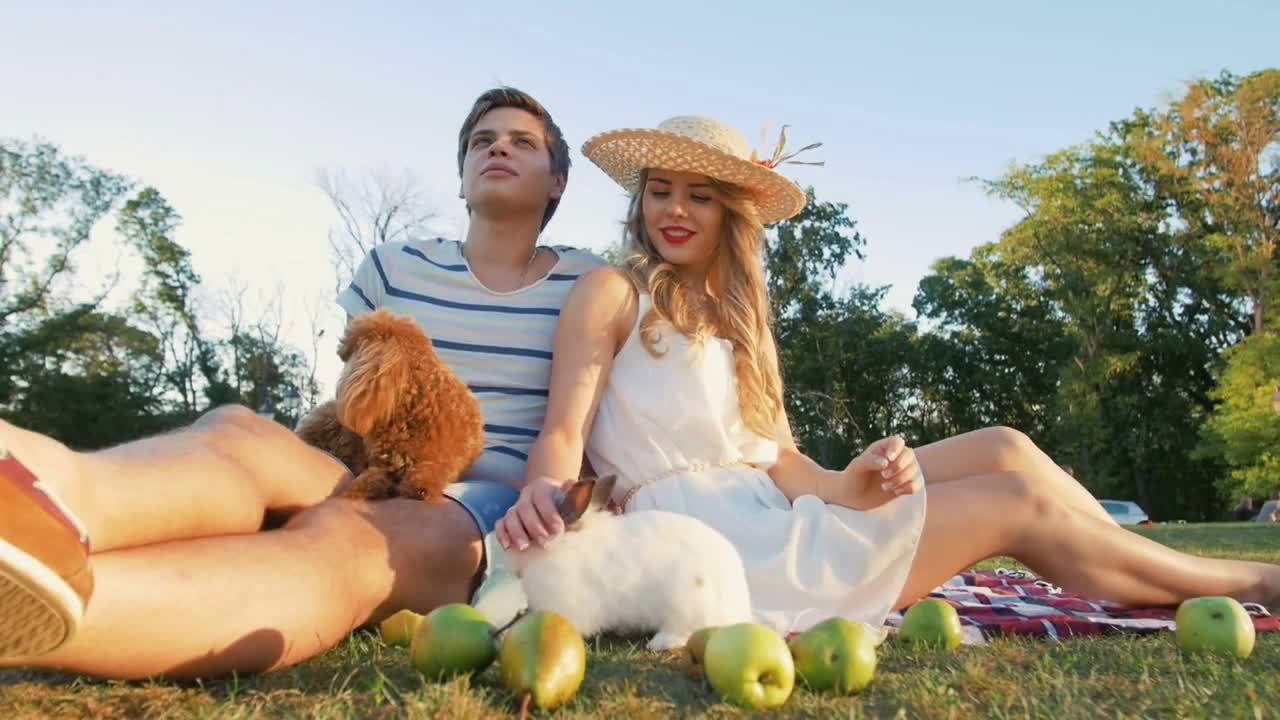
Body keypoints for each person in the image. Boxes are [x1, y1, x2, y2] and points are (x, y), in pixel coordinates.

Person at [496, 115, 1280, 634]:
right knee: (1014, 504)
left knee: (1005, 446)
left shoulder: (738, 323)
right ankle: (1246, 580)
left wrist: (856, 484)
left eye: (700, 196)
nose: (675, 210)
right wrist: (545, 495)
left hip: (770, 506)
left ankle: (1128, 560)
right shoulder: (613, 293)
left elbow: (782, 462)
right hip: (711, 540)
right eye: (659, 191)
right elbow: (565, 427)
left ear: (733, 213)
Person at [0, 86, 603, 679]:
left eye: (521, 142)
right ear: (462, 175)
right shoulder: (393, 266)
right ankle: (44, 490)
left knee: (345, 538)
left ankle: (65, 609)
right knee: (240, 432)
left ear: (557, 182)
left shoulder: (587, 282)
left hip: (487, 506)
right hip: (378, 468)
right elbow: (354, 401)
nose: (497, 149)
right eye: (481, 141)